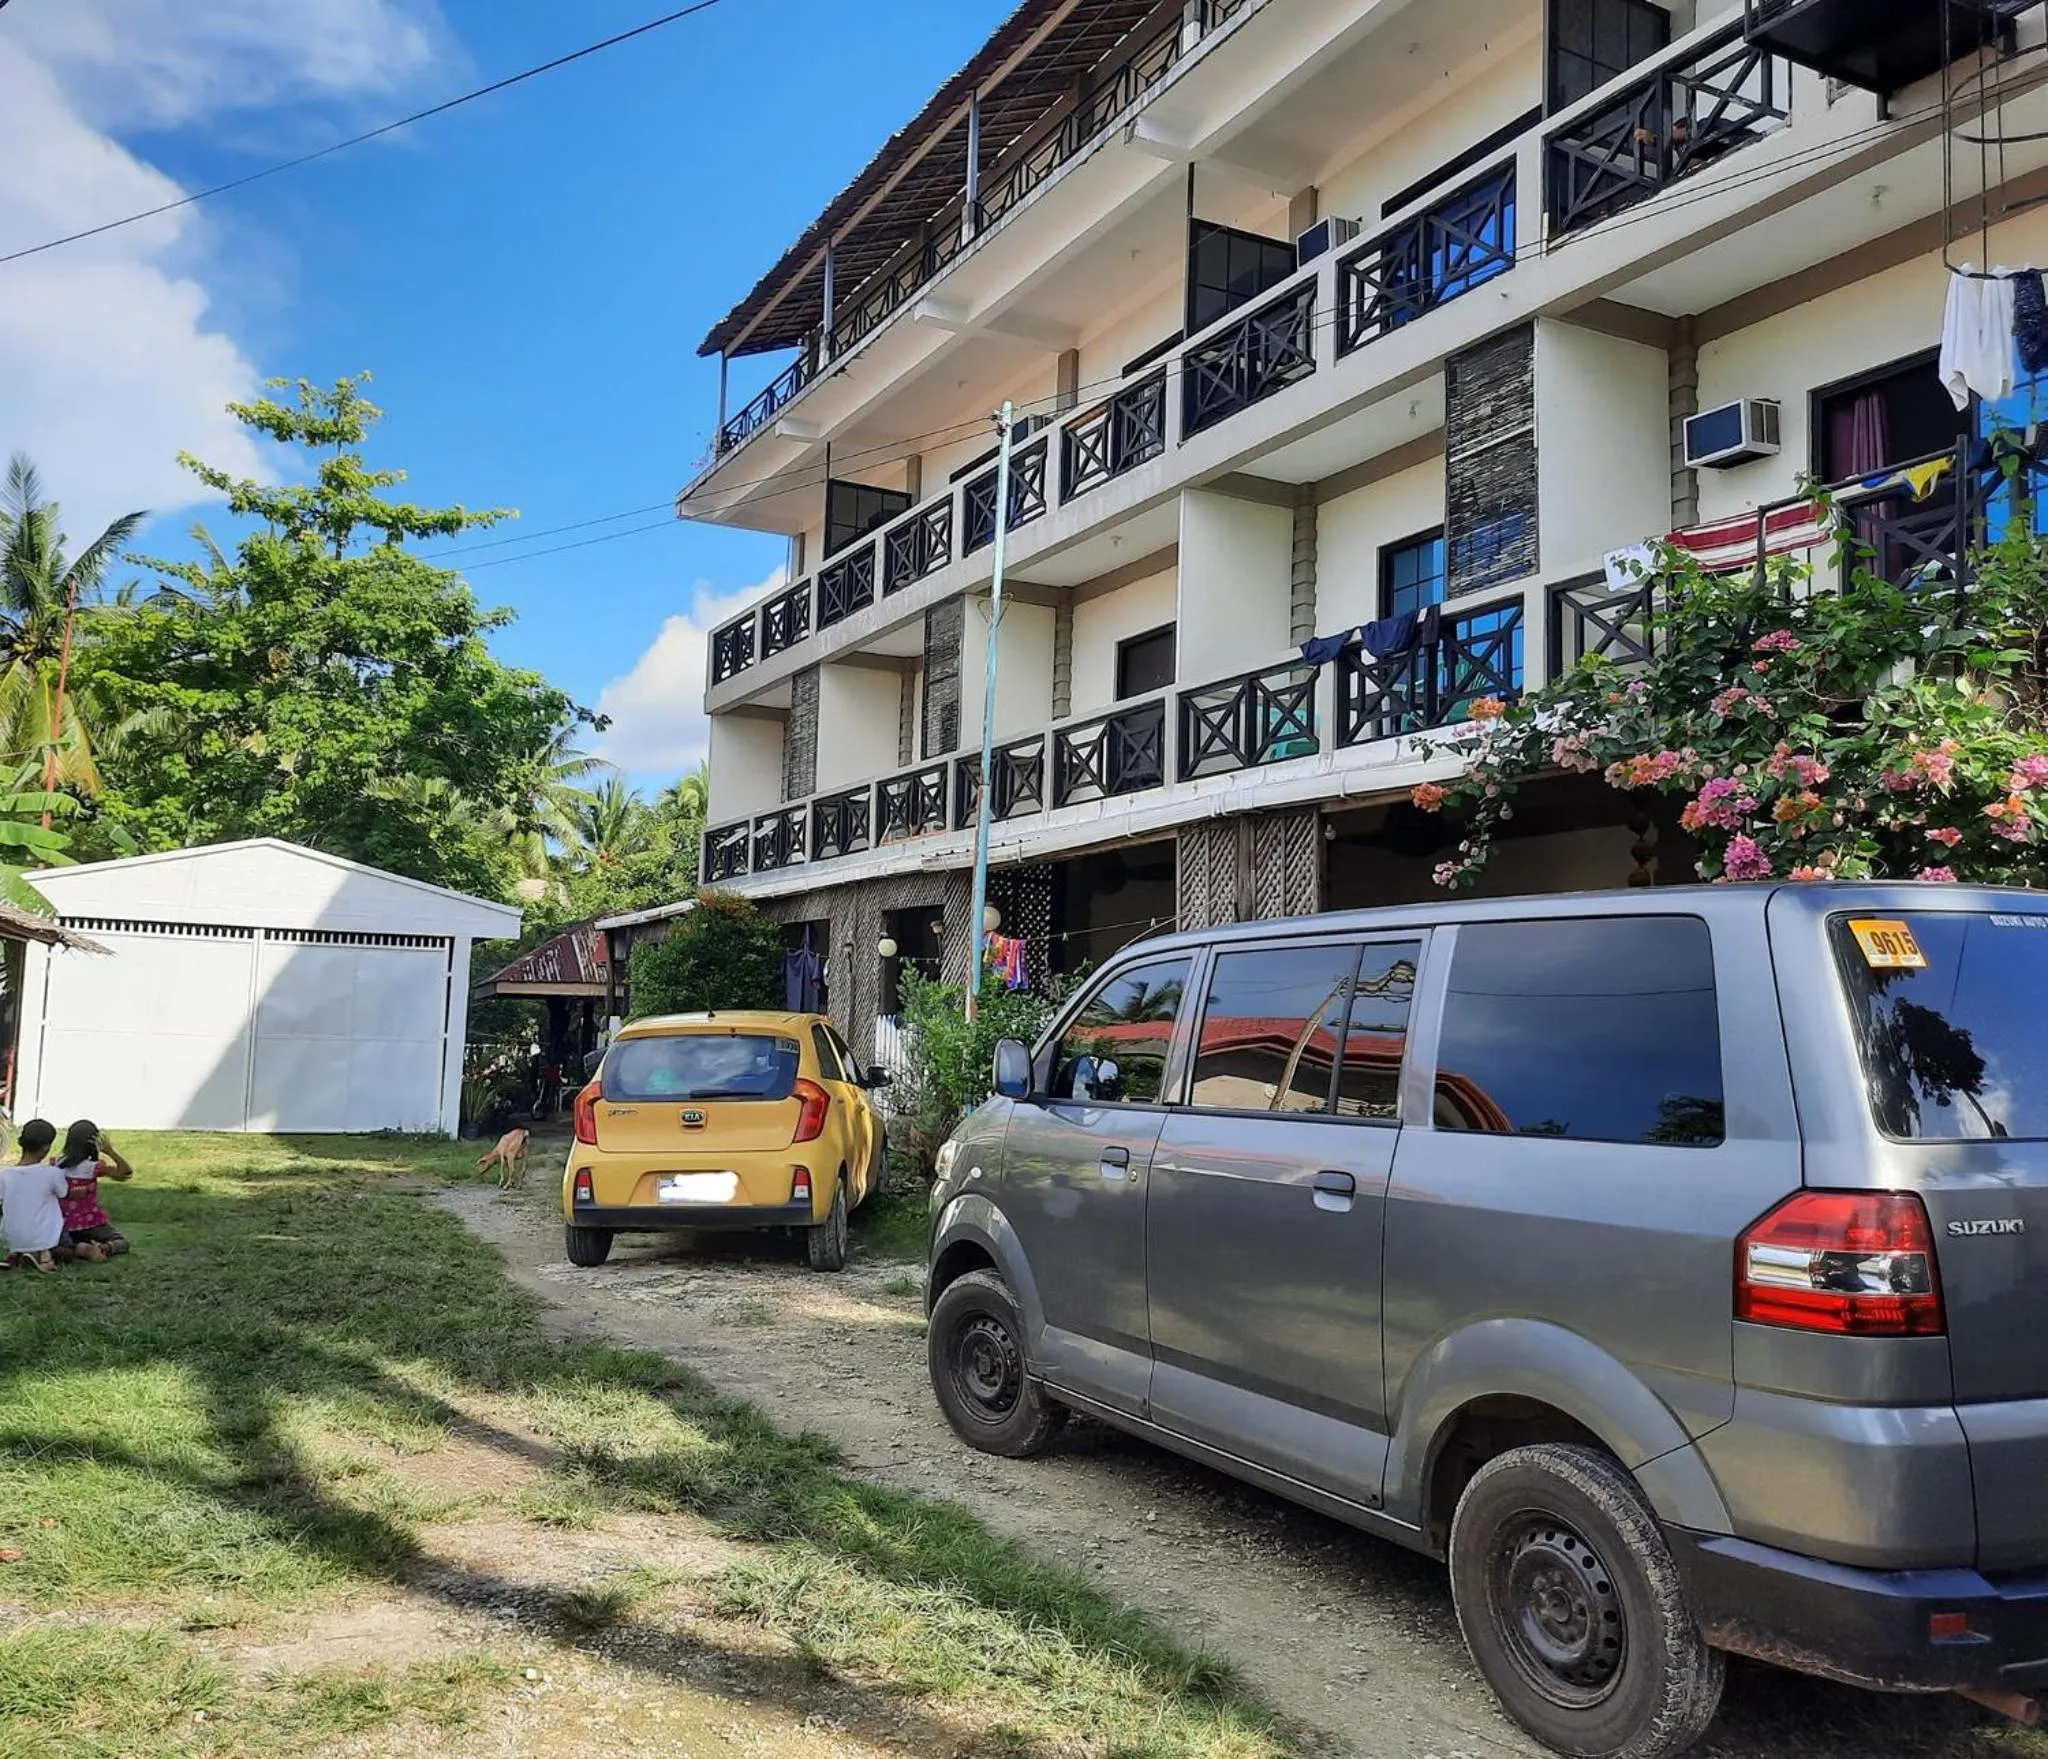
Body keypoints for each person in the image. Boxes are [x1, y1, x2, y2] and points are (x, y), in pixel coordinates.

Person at [1, 1119, 75, 1272]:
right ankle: (43, 1253)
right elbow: (63, 1193)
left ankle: (16, 1253)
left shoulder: (4, 1175)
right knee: (69, 1251)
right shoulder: (52, 1173)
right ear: (46, 1148)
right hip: (46, 1236)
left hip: (12, 1237)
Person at [57, 1119, 132, 1258]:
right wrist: (110, 1151)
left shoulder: (57, 1165)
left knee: (65, 1242)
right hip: (90, 1222)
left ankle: (76, 1247)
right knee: (121, 1242)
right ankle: (104, 1248)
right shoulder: (93, 1167)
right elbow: (125, 1172)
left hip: (63, 1223)